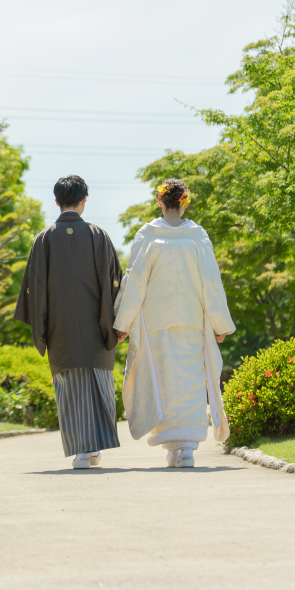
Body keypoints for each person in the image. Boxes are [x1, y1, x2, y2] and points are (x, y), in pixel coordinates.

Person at [113, 178, 235, 468]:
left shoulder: (148, 234)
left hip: (157, 321)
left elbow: (135, 279)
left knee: (164, 382)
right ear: (185, 202)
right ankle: (186, 449)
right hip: (192, 320)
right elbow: (210, 279)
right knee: (191, 382)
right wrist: (220, 324)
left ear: (159, 201)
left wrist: (123, 322)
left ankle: (173, 448)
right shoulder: (197, 235)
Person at [15, 175, 122, 469]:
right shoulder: (99, 235)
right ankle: (95, 448)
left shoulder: (45, 238)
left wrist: (42, 328)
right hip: (97, 329)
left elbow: (34, 291)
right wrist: (118, 323)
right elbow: (115, 283)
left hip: (60, 330)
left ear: (56, 202)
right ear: (84, 201)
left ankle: (81, 452)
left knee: (71, 389)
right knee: (98, 384)